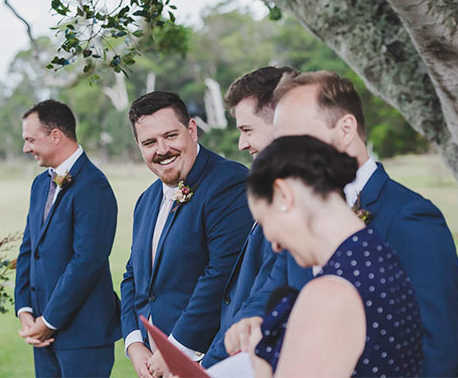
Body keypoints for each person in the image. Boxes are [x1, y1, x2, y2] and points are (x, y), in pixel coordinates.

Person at [232, 70, 458, 376]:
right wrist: (253, 321)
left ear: (345, 129)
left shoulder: (411, 218)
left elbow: (439, 352)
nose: (281, 152)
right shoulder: (305, 219)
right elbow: (276, 287)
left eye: (293, 139)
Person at [226, 135, 423, 377]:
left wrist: (261, 361)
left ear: (284, 195)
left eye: (265, 221)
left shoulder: (329, 294)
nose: (275, 245)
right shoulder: (379, 254)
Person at [119, 91, 253, 378]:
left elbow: (220, 274)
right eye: (149, 142)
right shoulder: (147, 199)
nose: (162, 149)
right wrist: (134, 343)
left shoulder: (229, 183)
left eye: (170, 135)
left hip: (205, 360)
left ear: (192, 130)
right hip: (152, 361)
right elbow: (134, 275)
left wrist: (175, 351)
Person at [9, 100, 121, 377]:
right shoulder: (39, 184)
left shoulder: (94, 185)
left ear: (55, 135)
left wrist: (49, 320)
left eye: (30, 139)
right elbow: (28, 251)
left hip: (84, 336)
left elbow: (87, 262)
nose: (26, 148)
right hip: (42, 334)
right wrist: (25, 309)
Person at [201, 66, 296, 367]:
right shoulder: (272, 191)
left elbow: (271, 289)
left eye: (247, 130)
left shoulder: (297, 205)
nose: (242, 144)